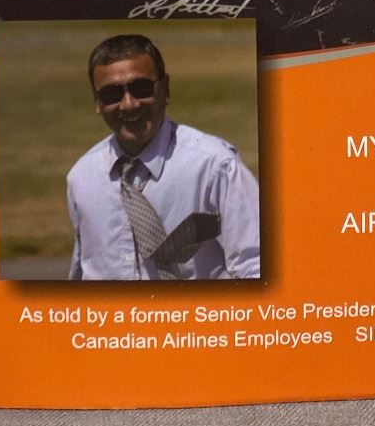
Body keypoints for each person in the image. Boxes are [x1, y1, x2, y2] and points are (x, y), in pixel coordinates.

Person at [66, 33, 260, 281]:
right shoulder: (82, 177)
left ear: (165, 88)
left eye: (141, 88)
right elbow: (84, 273)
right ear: (97, 102)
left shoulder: (214, 166)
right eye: (111, 95)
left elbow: (254, 265)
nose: (128, 104)